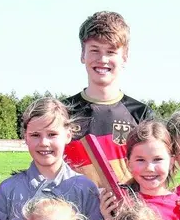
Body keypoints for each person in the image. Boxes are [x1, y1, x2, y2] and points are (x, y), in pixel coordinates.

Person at [0, 97, 102, 220]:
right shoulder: (9, 190)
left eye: (52, 134)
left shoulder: (85, 189)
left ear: (68, 134)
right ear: (25, 137)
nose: (44, 143)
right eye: (35, 135)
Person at [64, 10, 155, 146]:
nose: (102, 59)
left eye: (111, 52)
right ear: (83, 54)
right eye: (95, 50)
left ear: (125, 56)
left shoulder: (141, 115)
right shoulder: (63, 112)